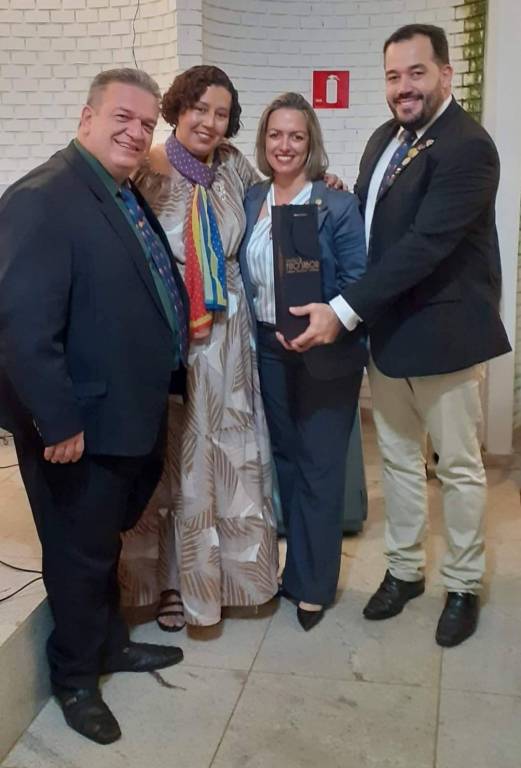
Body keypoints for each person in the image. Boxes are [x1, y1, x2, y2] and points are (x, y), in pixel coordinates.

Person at [277, 25, 511, 647]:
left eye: (416, 72)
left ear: (445, 74)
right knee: (401, 461)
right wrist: (341, 195)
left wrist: (343, 310)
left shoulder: (468, 146)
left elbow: (425, 245)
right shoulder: (386, 138)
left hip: (444, 335)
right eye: (393, 75)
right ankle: (405, 571)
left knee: (457, 467)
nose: (403, 87)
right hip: (388, 332)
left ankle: (462, 584)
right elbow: (375, 218)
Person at [0, 69, 189, 745]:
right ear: (87, 118)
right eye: (122, 117)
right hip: (77, 424)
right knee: (78, 555)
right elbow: (21, 328)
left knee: (103, 543)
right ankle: (76, 679)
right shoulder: (43, 197)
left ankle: (109, 645)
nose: (136, 133)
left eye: (146, 124)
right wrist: (56, 420)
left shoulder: (117, 189)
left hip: (124, 410)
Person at [119, 65, 279, 631]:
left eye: (221, 113)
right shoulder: (146, 170)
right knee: (176, 461)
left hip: (230, 339)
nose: (209, 122)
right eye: (199, 108)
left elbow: (277, 197)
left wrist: (322, 182)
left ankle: (232, 581)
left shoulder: (233, 166)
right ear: (178, 108)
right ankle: (171, 585)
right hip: (175, 333)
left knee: (229, 457)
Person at [238, 92, 367, 630]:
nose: (285, 145)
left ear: (311, 141)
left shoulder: (335, 203)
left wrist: (328, 320)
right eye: (275, 134)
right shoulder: (251, 198)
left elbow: (359, 280)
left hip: (327, 353)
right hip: (269, 349)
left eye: (296, 135)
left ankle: (314, 585)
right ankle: (294, 571)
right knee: (286, 461)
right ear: (263, 141)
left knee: (320, 465)